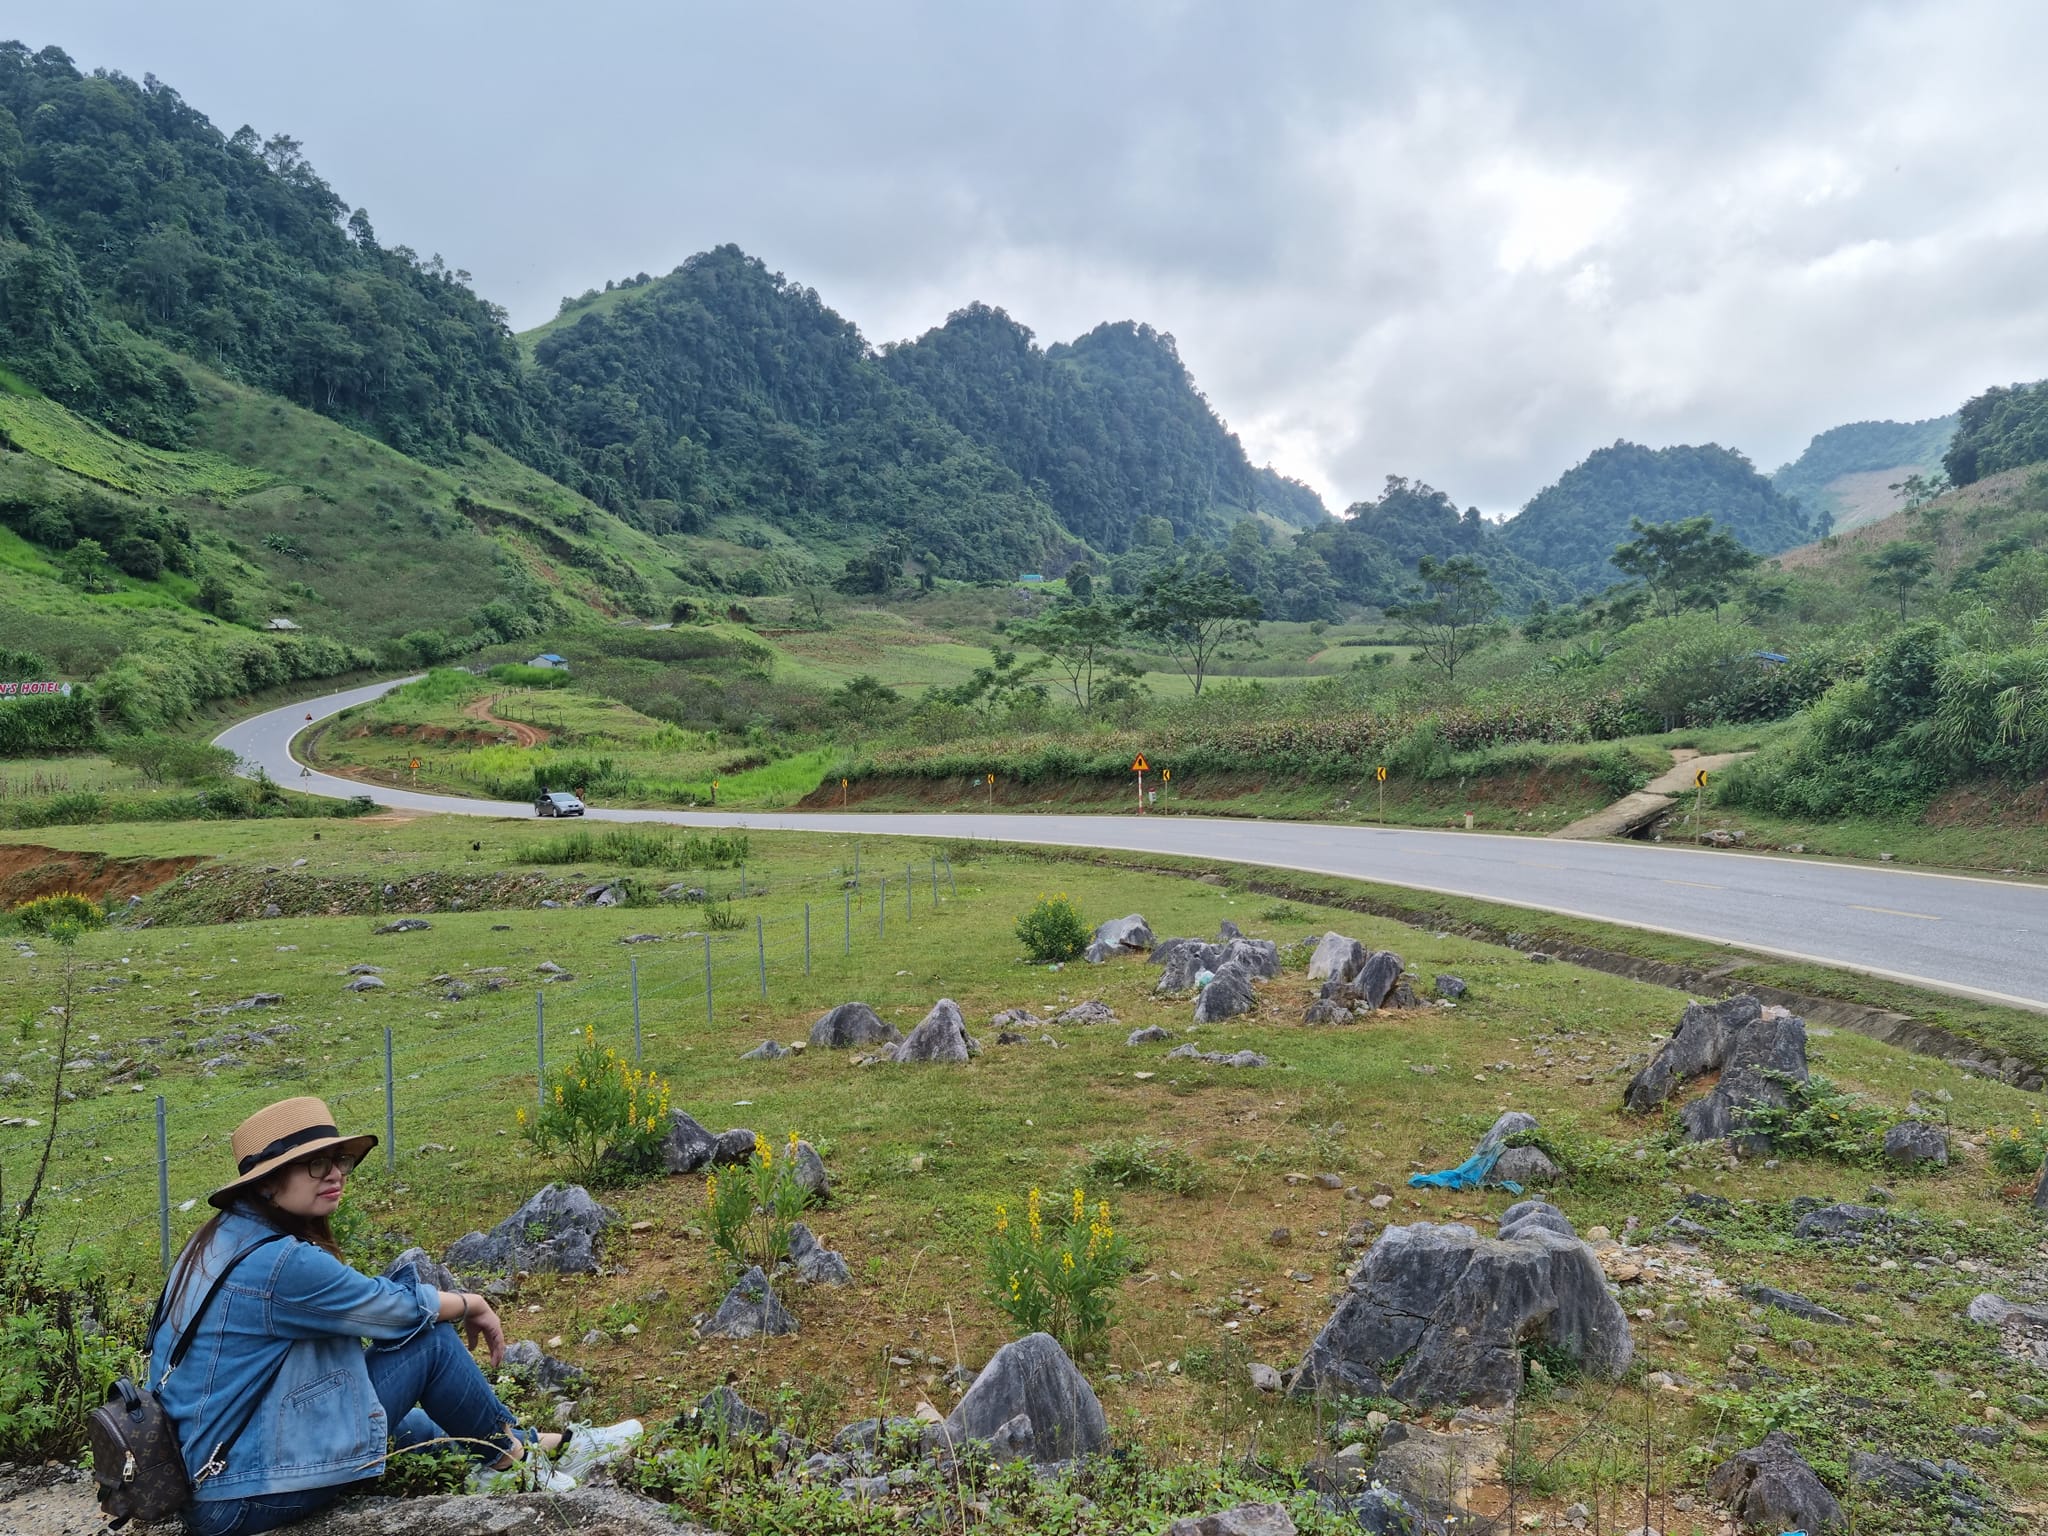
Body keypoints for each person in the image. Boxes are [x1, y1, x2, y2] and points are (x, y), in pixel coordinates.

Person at [153, 1098, 579, 1535]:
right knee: (429, 1344)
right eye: (315, 1164)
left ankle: (536, 1444)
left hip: (212, 1472)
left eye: (339, 1160)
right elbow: (393, 1310)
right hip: (239, 1495)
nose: (335, 1173)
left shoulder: (218, 1239)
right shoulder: (280, 1262)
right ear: (266, 1183)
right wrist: (472, 1303)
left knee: (408, 1423)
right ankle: (514, 1464)